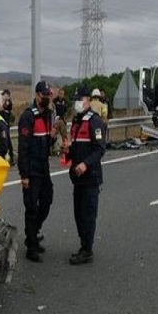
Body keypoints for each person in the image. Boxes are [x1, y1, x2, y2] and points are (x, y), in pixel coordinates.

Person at [18, 81, 57, 262]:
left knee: (47, 201)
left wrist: (53, 138)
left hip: (44, 168)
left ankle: (32, 234)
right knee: (31, 208)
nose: (47, 98)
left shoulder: (48, 115)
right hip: (31, 171)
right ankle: (31, 246)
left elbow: (46, 143)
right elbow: (23, 148)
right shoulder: (28, 117)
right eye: (44, 95)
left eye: (49, 95)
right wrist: (24, 175)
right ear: (37, 95)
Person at [67, 86, 106, 265]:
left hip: (91, 177)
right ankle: (84, 245)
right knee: (78, 214)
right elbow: (76, 147)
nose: (77, 102)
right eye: (76, 99)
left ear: (88, 100)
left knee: (88, 214)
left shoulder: (94, 121)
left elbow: (99, 149)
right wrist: (68, 152)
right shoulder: (76, 122)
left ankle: (87, 250)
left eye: (80, 99)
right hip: (78, 178)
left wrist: (85, 164)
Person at [0, 89, 16, 165]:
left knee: (8, 142)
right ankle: (8, 157)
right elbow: (1, 110)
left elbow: (1, 109)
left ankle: (11, 158)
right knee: (5, 141)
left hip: (6, 124)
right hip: (3, 123)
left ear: (8, 95)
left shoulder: (8, 102)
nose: (3, 97)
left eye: (5, 95)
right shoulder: (5, 102)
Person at [53, 87, 69, 154]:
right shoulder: (55, 101)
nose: (61, 95)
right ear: (58, 93)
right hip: (56, 120)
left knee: (64, 136)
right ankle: (52, 149)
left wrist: (65, 119)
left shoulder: (65, 101)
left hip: (62, 121)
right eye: (60, 93)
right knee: (53, 135)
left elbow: (66, 111)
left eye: (62, 94)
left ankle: (65, 149)